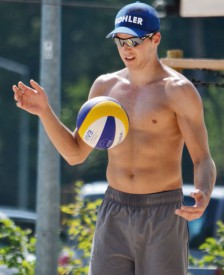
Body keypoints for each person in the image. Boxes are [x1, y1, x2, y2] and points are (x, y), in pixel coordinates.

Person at [13, 2, 216, 274]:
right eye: (119, 41)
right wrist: (44, 112)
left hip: (163, 213)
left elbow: (203, 158)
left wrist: (203, 194)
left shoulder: (177, 91)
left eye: (133, 40)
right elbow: (75, 154)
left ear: (156, 38)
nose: (126, 48)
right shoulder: (105, 87)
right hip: (115, 208)